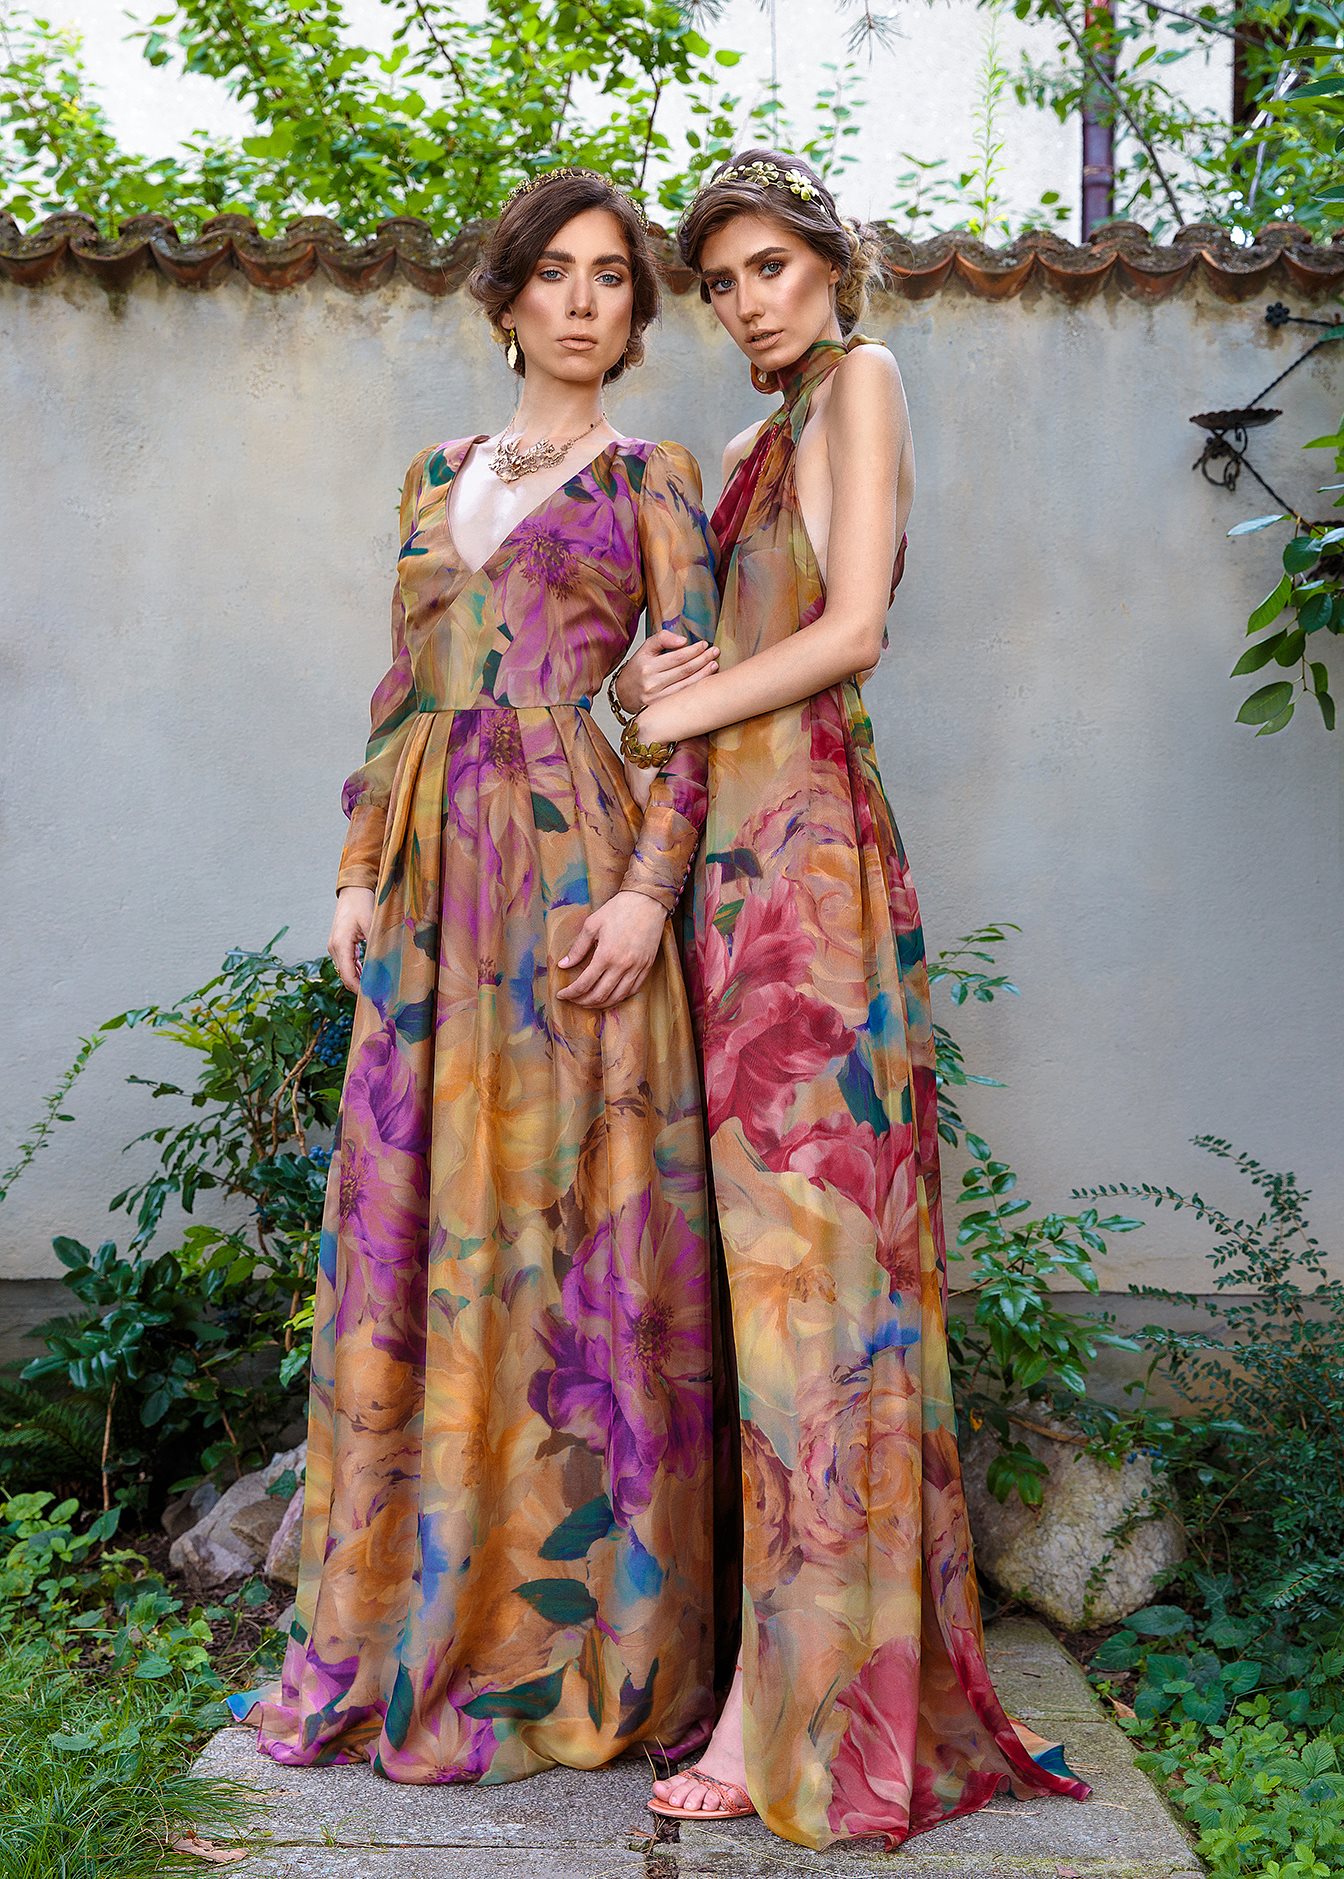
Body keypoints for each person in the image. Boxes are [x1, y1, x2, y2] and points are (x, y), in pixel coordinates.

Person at [614, 149, 1093, 1850]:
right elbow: (710, 656)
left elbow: (857, 628)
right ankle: (785, 1679)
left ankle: (795, 1710)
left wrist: (679, 712)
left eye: (769, 267)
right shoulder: (754, 445)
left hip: (809, 875)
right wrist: (653, 681)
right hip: (739, 882)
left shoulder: (861, 381)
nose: (746, 301)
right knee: (776, 1295)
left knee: (818, 1296)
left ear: (829, 264)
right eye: (720, 281)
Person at [228, 168, 724, 1784]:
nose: (584, 300)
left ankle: (576, 1634)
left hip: (579, 875)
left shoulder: (655, 479)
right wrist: (354, 870)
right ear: (506, 298)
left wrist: (649, 893)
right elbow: (401, 686)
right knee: (427, 1230)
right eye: (555, 272)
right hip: (434, 886)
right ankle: (410, 1609)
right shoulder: (433, 475)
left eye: (613, 278)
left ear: (635, 318)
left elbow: (694, 712)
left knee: (573, 1230)